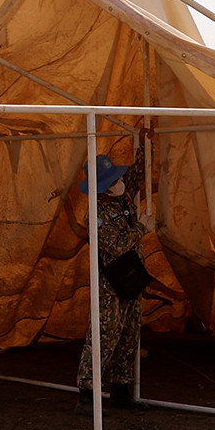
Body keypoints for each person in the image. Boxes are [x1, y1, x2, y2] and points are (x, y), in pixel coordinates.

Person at [74, 154, 147, 415]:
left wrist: (143, 146)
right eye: (113, 180)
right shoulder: (96, 213)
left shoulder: (121, 200)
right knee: (105, 335)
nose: (120, 182)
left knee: (128, 334)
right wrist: (140, 228)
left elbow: (137, 174)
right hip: (110, 282)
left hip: (131, 276)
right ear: (102, 187)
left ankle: (120, 390)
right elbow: (115, 246)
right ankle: (86, 393)